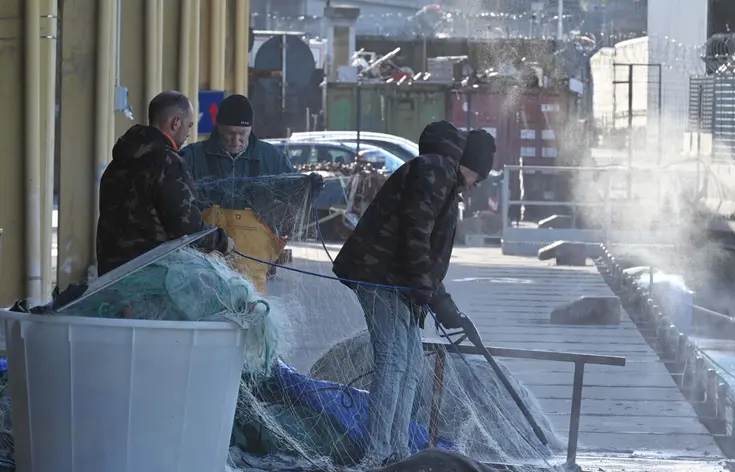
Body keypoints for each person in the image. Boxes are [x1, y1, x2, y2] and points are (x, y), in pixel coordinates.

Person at [332, 121, 496, 465]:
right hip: (379, 276)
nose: (475, 186)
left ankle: (398, 451)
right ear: (473, 167)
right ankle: (378, 453)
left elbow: (428, 254)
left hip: (398, 281)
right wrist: (424, 286)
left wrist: (443, 303)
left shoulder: (443, 178)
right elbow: (416, 232)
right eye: (479, 178)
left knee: (410, 365)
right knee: (393, 361)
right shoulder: (437, 171)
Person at [180, 94, 321, 292]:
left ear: (251, 130)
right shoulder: (193, 157)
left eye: (242, 134)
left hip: (253, 269)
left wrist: (309, 187)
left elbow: (293, 193)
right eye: (229, 133)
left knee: (251, 307)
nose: (235, 140)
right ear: (218, 127)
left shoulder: (271, 157)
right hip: (203, 263)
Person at [96, 90, 233, 276]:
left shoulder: (117, 163)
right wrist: (222, 242)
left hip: (110, 276)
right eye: (189, 125)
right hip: (150, 276)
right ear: (176, 123)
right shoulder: (167, 163)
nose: (188, 133)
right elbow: (187, 229)